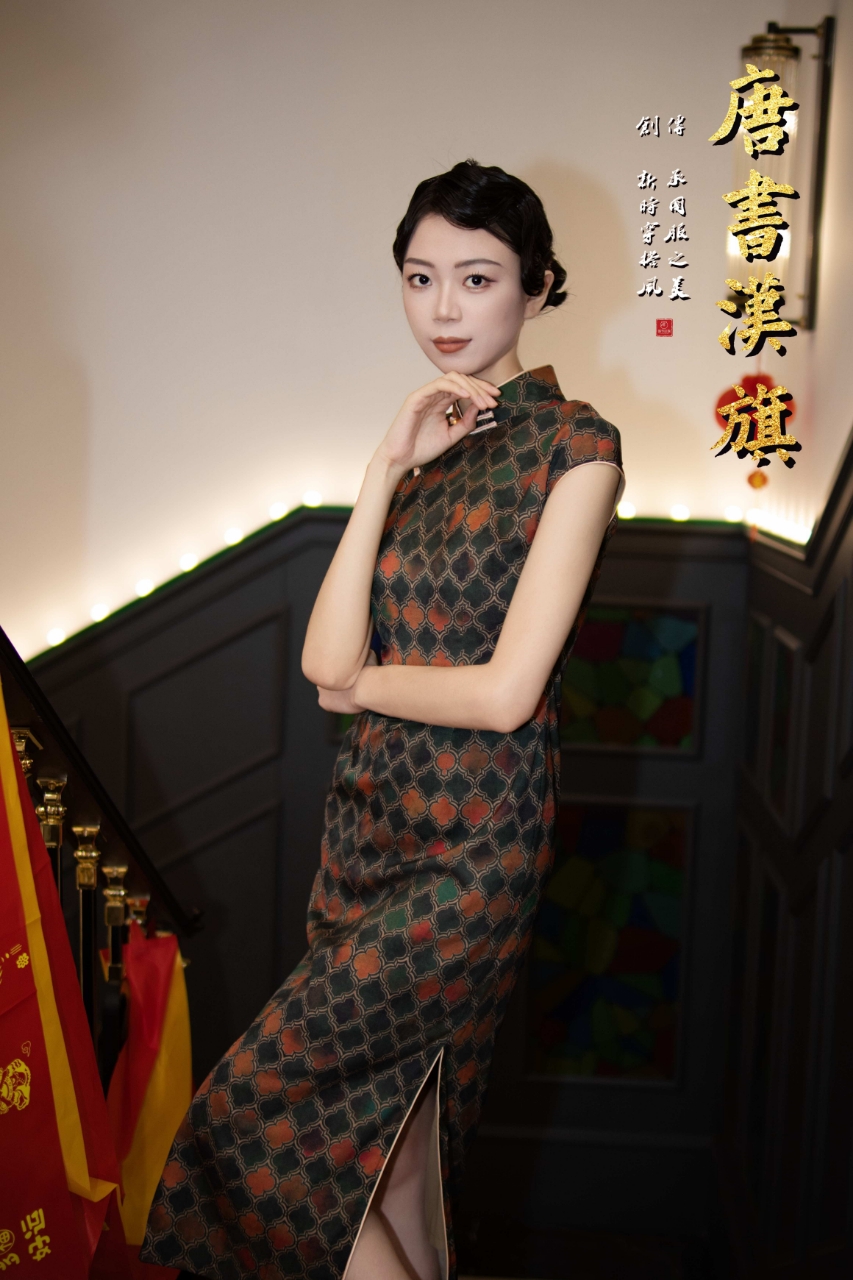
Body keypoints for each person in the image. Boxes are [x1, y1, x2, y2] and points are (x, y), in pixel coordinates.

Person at [140, 159, 624, 1280]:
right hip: (365, 833)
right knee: (393, 1152)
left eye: (476, 277)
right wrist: (383, 467)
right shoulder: (424, 450)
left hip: (473, 852)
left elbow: (505, 694)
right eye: (419, 277)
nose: (443, 307)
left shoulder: (579, 448)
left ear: (537, 286)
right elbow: (323, 662)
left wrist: (363, 688)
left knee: (254, 1123)